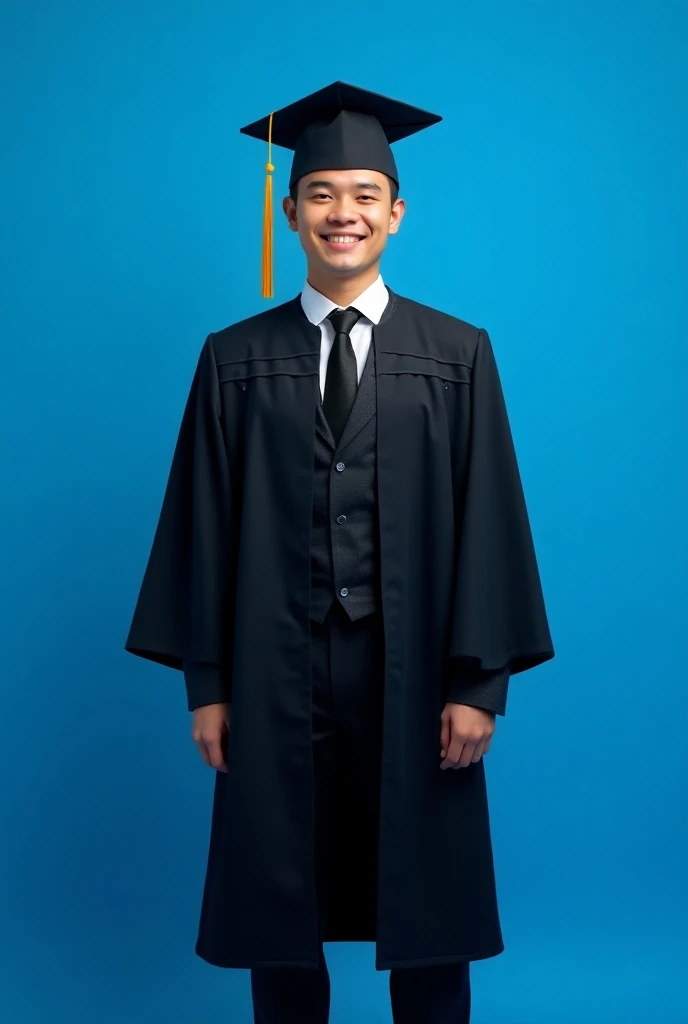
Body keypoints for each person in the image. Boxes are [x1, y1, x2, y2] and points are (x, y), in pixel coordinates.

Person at [125, 80, 555, 1024]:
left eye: (365, 194)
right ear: (290, 211)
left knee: (429, 903)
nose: (343, 213)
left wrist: (478, 685)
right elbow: (201, 523)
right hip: (274, 672)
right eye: (322, 194)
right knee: (280, 903)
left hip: (416, 672)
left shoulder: (457, 353)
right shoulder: (234, 359)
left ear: (396, 214)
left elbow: (491, 525)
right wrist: (209, 685)